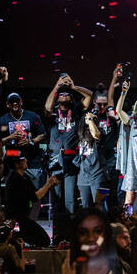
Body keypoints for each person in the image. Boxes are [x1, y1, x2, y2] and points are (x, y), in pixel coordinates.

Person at [46, 75, 88, 218]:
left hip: (71, 160)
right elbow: (47, 107)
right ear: (57, 98)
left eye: (67, 94)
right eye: (61, 94)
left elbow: (89, 96)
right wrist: (57, 86)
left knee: (70, 200)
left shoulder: (76, 113)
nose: (64, 95)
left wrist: (73, 87)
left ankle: (70, 231)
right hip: (55, 160)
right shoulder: (53, 115)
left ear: (71, 98)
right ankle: (58, 232)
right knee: (56, 199)